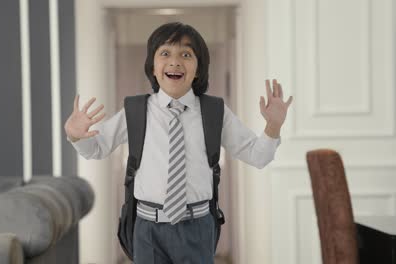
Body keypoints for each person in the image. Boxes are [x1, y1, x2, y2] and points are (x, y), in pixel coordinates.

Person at [64, 22, 293, 264]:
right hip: (147, 229)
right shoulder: (135, 110)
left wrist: (273, 126)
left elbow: (257, 156)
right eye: (165, 53)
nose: (175, 61)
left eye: (186, 54)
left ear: (198, 69)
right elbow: (97, 148)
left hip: (198, 227)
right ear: (153, 67)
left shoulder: (215, 111)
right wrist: (75, 135)